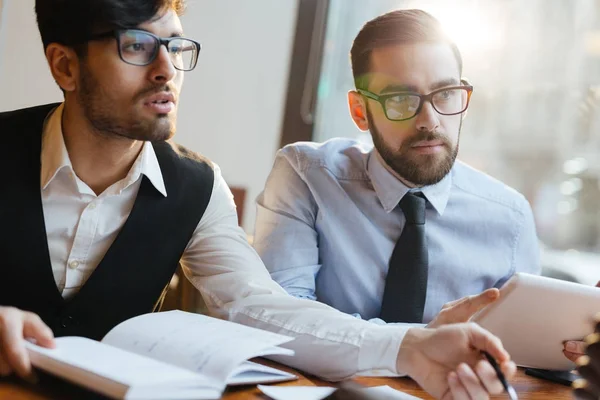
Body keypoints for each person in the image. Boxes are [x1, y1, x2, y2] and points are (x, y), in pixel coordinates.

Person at [0, 1, 516, 398]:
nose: (165, 71)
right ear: (65, 67)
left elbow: (257, 306)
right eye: (136, 46)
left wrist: (410, 347)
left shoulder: (197, 187)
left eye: (175, 48)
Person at [253, 8, 587, 363]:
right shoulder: (307, 175)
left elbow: (521, 357)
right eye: (400, 99)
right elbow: (278, 321)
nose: (430, 121)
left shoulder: (511, 217)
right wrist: (417, 343)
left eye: (445, 94)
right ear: (360, 111)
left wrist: (572, 353)